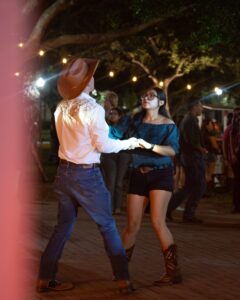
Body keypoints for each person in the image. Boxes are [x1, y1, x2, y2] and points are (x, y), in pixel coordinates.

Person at [36, 57, 141, 294]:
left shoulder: (60, 107)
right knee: (107, 226)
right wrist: (128, 143)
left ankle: (45, 277)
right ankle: (122, 279)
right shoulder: (93, 109)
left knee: (62, 227)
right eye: (90, 75)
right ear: (84, 82)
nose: (93, 78)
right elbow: (104, 145)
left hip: (64, 174)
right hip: (87, 176)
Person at [119, 87, 182, 286]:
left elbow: (172, 150)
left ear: (161, 102)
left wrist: (150, 146)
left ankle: (173, 273)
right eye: (144, 94)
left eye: (151, 96)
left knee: (157, 222)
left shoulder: (168, 124)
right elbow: (117, 134)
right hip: (138, 174)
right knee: (132, 225)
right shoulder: (135, 122)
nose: (145, 97)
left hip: (161, 174)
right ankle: (121, 270)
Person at [167, 98, 207, 223]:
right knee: (199, 185)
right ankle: (188, 214)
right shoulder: (190, 120)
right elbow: (191, 140)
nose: (202, 108)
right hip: (192, 156)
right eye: (200, 106)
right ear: (194, 106)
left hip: (189, 156)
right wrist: (201, 149)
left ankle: (169, 208)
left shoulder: (189, 119)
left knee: (189, 186)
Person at [101, 107, 131, 214]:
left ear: (120, 116)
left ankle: (117, 207)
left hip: (123, 155)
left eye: (115, 113)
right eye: (111, 113)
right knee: (110, 182)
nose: (112, 115)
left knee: (119, 182)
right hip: (109, 155)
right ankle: (108, 207)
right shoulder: (105, 126)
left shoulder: (125, 127)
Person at [222, 107, 240, 213]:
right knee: (237, 182)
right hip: (235, 158)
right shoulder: (230, 129)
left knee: (237, 182)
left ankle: (236, 205)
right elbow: (225, 143)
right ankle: (236, 205)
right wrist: (226, 157)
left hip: (234, 158)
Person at [201, 118, 221, 195]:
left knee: (205, 173)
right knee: (210, 174)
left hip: (203, 154)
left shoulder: (201, 133)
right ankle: (207, 190)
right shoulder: (210, 134)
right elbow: (214, 145)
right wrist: (218, 150)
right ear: (207, 125)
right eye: (210, 124)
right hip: (210, 154)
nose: (212, 126)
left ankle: (203, 190)